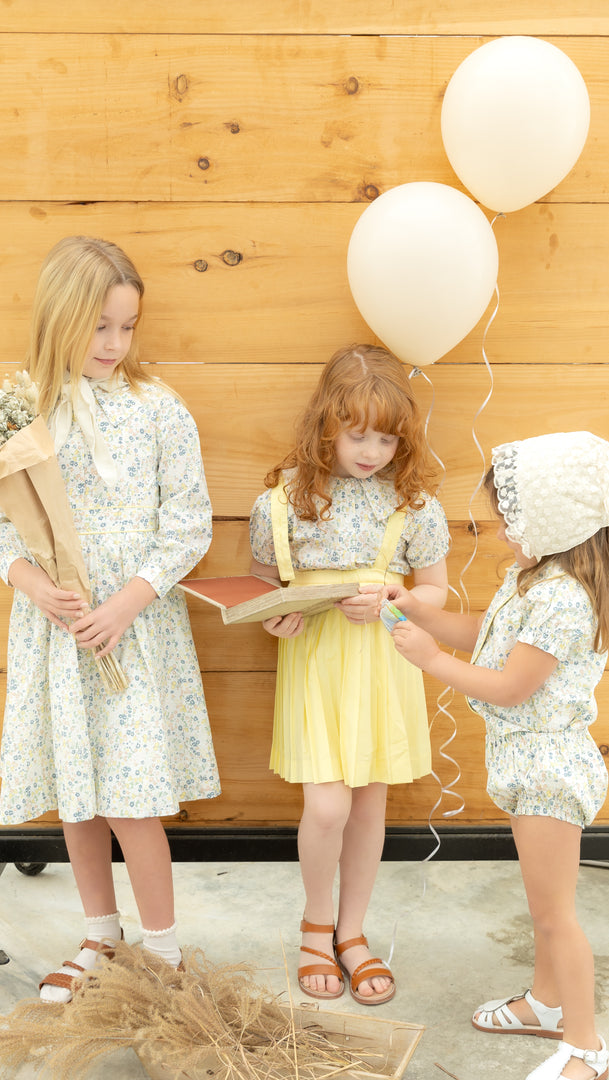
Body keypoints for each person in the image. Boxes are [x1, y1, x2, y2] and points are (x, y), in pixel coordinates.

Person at [0, 235, 220, 1003]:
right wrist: (34, 584)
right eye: (101, 327)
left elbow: (188, 522)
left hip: (133, 626)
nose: (116, 344)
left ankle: (162, 952)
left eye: (127, 327)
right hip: (58, 635)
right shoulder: (19, 411)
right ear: (62, 318)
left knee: (130, 797)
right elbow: (3, 526)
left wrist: (126, 603)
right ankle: (100, 932)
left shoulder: (156, 410)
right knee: (79, 793)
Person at [380, 431, 609, 1080]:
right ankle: (546, 1003)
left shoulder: (562, 600)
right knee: (542, 906)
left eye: (510, 522)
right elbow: (488, 641)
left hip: (549, 771)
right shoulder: (531, 580)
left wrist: (433, 664)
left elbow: (512, 687)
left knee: (555, 915)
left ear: (551, 521)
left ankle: (586, 1047)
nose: (501, 533)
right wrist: (422, 617)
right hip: (525, 762)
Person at [249, 344, 449, 1005]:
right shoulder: (283, 503)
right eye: (357, 433)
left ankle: (353, 933)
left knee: (369, 805)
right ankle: (316, 923)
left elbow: (436, 595)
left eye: (387, 438)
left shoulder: (413, 505)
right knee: (328, 804)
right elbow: (257, 588)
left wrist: (396, 599)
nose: (371, 450)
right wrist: (271, 618)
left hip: (382, 665)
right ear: (325, 423)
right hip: (317, 663)